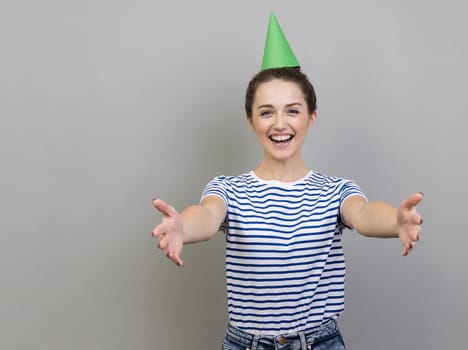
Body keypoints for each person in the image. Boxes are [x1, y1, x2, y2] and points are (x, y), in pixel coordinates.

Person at [151, 13, 423, 350]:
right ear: (251, 121)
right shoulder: (229, 190)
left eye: (292, 110)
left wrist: (395, 220)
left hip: (318, 343)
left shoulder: (335, 191)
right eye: (266, 112)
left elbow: (364, 215)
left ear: (311, 117)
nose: (280, 123)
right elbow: (206, 216)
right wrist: (183, 228)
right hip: (246, 344)